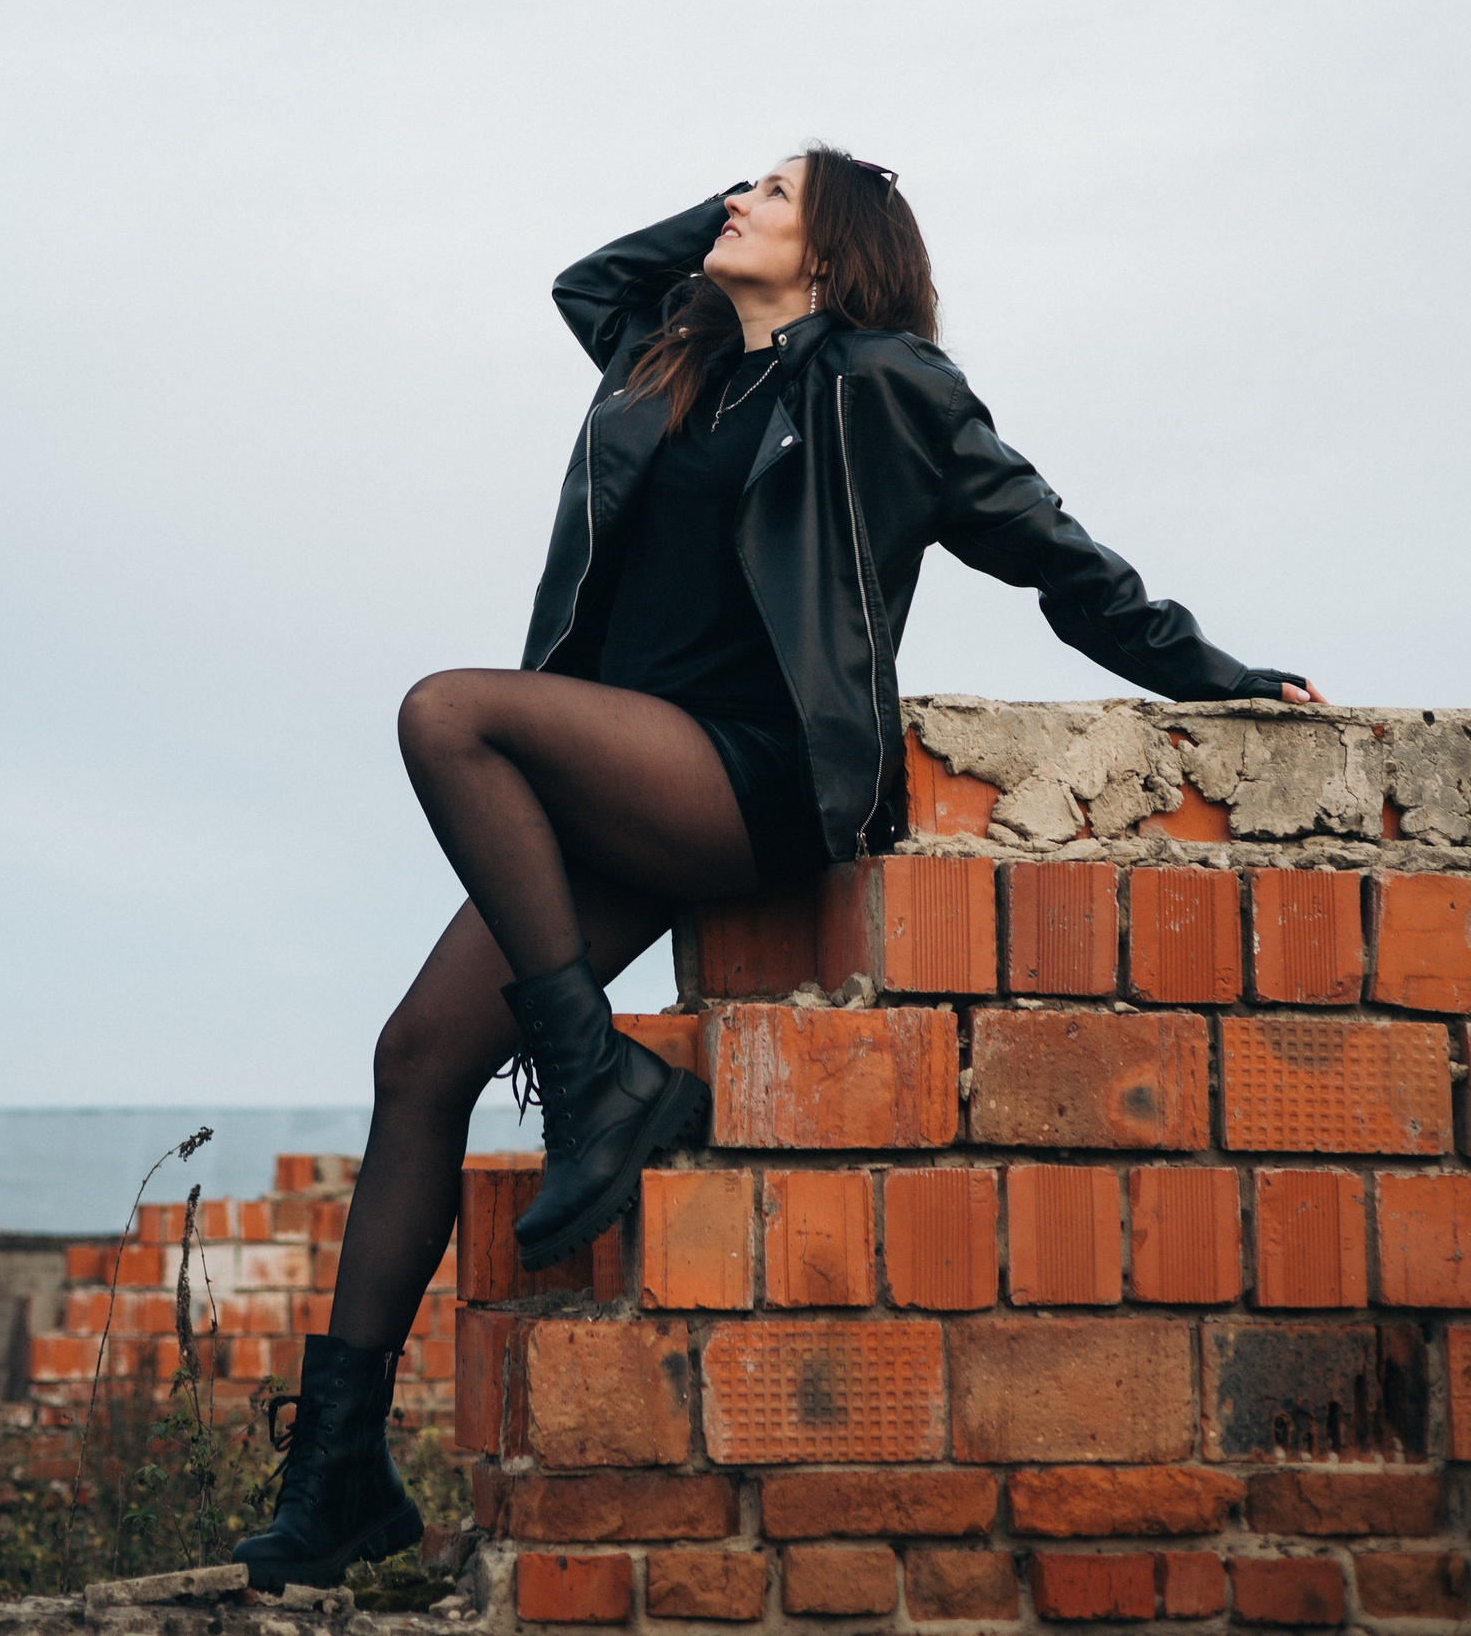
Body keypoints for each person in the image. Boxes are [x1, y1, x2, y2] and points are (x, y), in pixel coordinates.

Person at [236, 147, 1323, 1588]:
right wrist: (740, 214)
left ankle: (592, 1078)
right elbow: (588, 281)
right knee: (418, 1056)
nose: (735, 200)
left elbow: (1059, 559)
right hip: (626, 779)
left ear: (836, 247)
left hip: (756, 774)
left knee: (449, 712)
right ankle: (339, 1475)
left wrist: (1217, 672)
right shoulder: (666, 360)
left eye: (772, 191)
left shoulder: (886, 384)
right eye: (736, 185)